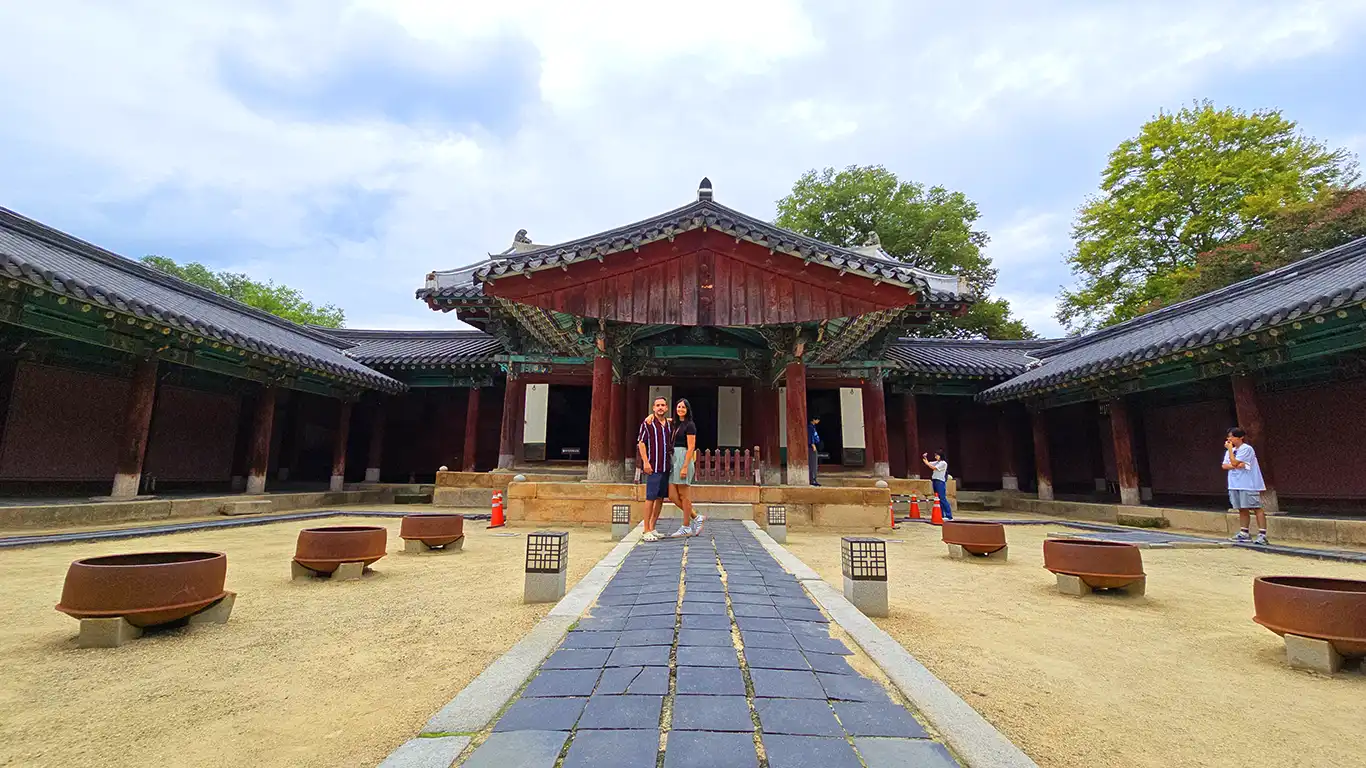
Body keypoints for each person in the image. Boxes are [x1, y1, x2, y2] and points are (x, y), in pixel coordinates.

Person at [665, 399, 706, 537]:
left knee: (684, 495)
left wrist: (685, 466)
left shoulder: (690, 425)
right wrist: (650, 416)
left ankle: (686, 526)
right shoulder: (675, 423)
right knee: (672, 495)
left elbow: (691, 447)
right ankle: (696, 517)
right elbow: (660, 417)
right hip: (673, 458)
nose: (681, 409)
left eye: (684, 407)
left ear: (688, 409)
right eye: (679, 406)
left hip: (683, 457)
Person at [1224, 427, 1269, 545]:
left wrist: (1231, 454)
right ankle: (1244, 533)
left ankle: (1262, 535)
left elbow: (1233, 462)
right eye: (1229, 436)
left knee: (1256, 507)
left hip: (1248, 483)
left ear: (1240, 437)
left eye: (1232, 436)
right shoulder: (1231, 450)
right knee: (1241, 508)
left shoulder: (1247, 449)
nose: (1229, 439)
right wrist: (1235, 463)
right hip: (1234, 483)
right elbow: (1225, 465)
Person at [636, 396, 672, 542]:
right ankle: (645, 530)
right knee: (650, 497)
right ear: (653, 408)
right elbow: (641, 443)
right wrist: (645, 462)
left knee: (660, 497)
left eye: (663, 405)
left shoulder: (669, 425)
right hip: (654, 465)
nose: (660, 408)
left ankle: (652, 527)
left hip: (665, 466)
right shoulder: (648, 423)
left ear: (667, 408)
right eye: (657, 405)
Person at [922, 450, 954, 520]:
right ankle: (942, 515)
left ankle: (949, 516)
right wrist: (925, 458)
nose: (936, 457)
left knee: (942, 498)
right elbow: (929, 463)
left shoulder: (943, 463)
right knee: (938, 499)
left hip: (940, 481)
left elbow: (933, 467)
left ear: (941, 456)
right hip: (935, 480)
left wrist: (927, 463)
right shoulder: (937, 462)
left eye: (937, 455)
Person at [808, 416, 822, 486]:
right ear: (813, 419)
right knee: (813, 463)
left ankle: (814, 479)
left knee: (814, 463)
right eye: (817, 419)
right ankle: (812, 480)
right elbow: (810, 436)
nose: (818, 421)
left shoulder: (813, 427)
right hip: (811, 447)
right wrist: (812, 444)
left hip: (814, 445)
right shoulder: (810, 427)